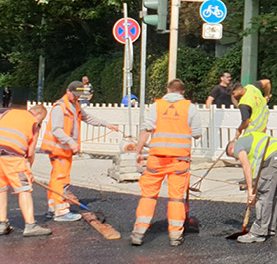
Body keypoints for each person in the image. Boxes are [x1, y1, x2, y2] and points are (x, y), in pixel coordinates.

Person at [128, 79, 203, 246]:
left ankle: (138, 233)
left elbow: (146, 130)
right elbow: (197, 134)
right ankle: (175, 236)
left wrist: (138, 151)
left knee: (148, 195)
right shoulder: (190, 108)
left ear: (167, 90)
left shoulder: (157, 106)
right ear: (182, 92)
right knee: (176, 198)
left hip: (157, 159)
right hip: (179, 160)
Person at [39, 81, 120, 222]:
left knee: (56, 178)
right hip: (58, 149)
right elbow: (56, 130)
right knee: (61, 179)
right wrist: (71, 142)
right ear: (68, 91)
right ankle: (61, 212)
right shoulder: (60, 107)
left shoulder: (75, 105)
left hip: (64, 150)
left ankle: (53, 207)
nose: (77, 98)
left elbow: (87, 118)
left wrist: (107, 124)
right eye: (75, 95)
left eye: (78, 96)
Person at [0, 105, 52, 237]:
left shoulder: (9, 114)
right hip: (13, 159)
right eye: (42, 119)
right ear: (38, 115)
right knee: (24, 189)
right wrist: (28, 171)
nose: (40, 122)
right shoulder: (34, 124)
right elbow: (30, 153)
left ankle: (3, 224)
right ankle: (30, 225)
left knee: (0, 189)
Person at [225, 112, 277, 244]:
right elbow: (255, 168)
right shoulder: (252, 138)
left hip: (273, 158)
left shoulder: (238, 146)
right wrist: (253, 185)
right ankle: (270, 227)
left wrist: (251, 190)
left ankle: (258, 232)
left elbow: (246, 167)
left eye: (234, 156)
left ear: (232, 149)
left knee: (264, 194)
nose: (236, 158)